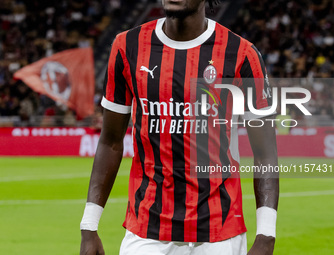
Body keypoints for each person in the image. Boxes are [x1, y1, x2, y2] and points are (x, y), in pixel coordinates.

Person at [80, 0, 279, 254]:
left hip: (219, 235)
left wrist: (266, 236)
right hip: (146, 233)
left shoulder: (240, 53)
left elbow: (265, 153)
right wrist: (89, 226)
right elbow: (110, 141)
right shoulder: (127, 46)